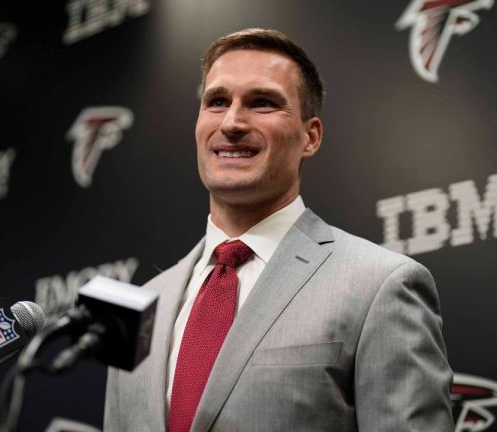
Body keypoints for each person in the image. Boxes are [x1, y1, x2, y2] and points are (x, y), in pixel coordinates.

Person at [104, 28, 453, 431]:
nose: (232, 122)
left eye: (262, 103)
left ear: (310, 136)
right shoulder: (140, 307)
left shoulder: (381, 285)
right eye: (217, 101)